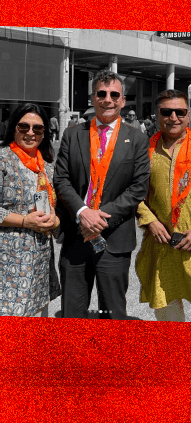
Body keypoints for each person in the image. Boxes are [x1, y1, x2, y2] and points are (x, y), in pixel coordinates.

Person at [53, 70, 150, 319]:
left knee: (112, 315)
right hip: (76, 236)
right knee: (72, 315)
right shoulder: (72, 134)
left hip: (114, 238)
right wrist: (83, 212)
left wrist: (99, 218)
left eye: (114, 95)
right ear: (92, 98)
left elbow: (138, 187)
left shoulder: (137, 139)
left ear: (123, 100)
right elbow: (61, 179)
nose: (108, 100)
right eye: (102, 94)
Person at [134, 89, 191, 322]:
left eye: (180, 112)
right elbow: (133, 193)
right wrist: (150, 221)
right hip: (162, 246)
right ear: (157, 115)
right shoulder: (145, 150)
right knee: (169, 323)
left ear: (189, 115)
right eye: (166, 112)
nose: (173, 117)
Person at [0, 103, 62, 317]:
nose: (30, 133)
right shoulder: (3, 160)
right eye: (24, 126)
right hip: (7, 260)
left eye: (38, 128)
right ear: (13, 128)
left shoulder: (47, 166)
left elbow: (55, 206)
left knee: (36, 318)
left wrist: (55, 221)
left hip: (39, 259)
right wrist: (25, 221)